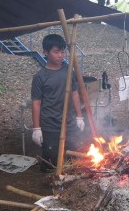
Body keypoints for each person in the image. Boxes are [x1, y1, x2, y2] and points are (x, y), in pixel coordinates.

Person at [31, 34, 85, 172]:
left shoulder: (68, 72)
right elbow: (36, 103)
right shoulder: (40, 77)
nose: (61, 55)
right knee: (51, 162)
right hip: (50, 125)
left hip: (69, 122)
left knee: (73, 157)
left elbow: (74, 94)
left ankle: (70, 184)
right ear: (45, 52)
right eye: (56, 52)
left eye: (63, 52)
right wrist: (37, 128)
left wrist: (79, 116)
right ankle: (51, 187)